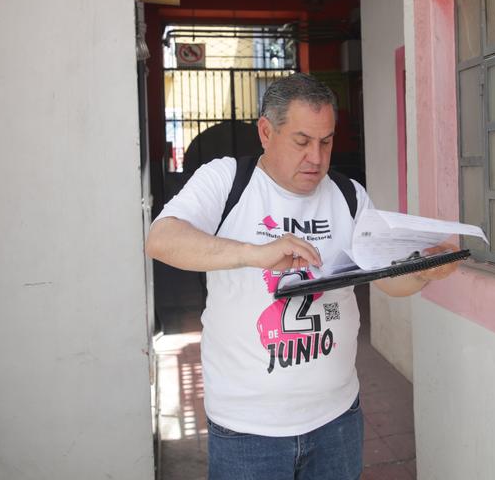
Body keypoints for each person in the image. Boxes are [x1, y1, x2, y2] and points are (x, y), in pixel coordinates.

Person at [146, 73, 459, 480]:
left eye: (326, 141)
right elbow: (161, 239)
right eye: (301, 141)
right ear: (265, 132)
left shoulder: (348, 196)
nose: (316, 157)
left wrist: (423, 273)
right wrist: (254, 254)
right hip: (248, 429)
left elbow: (385, 280)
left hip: (337, 420)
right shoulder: (227, 181)